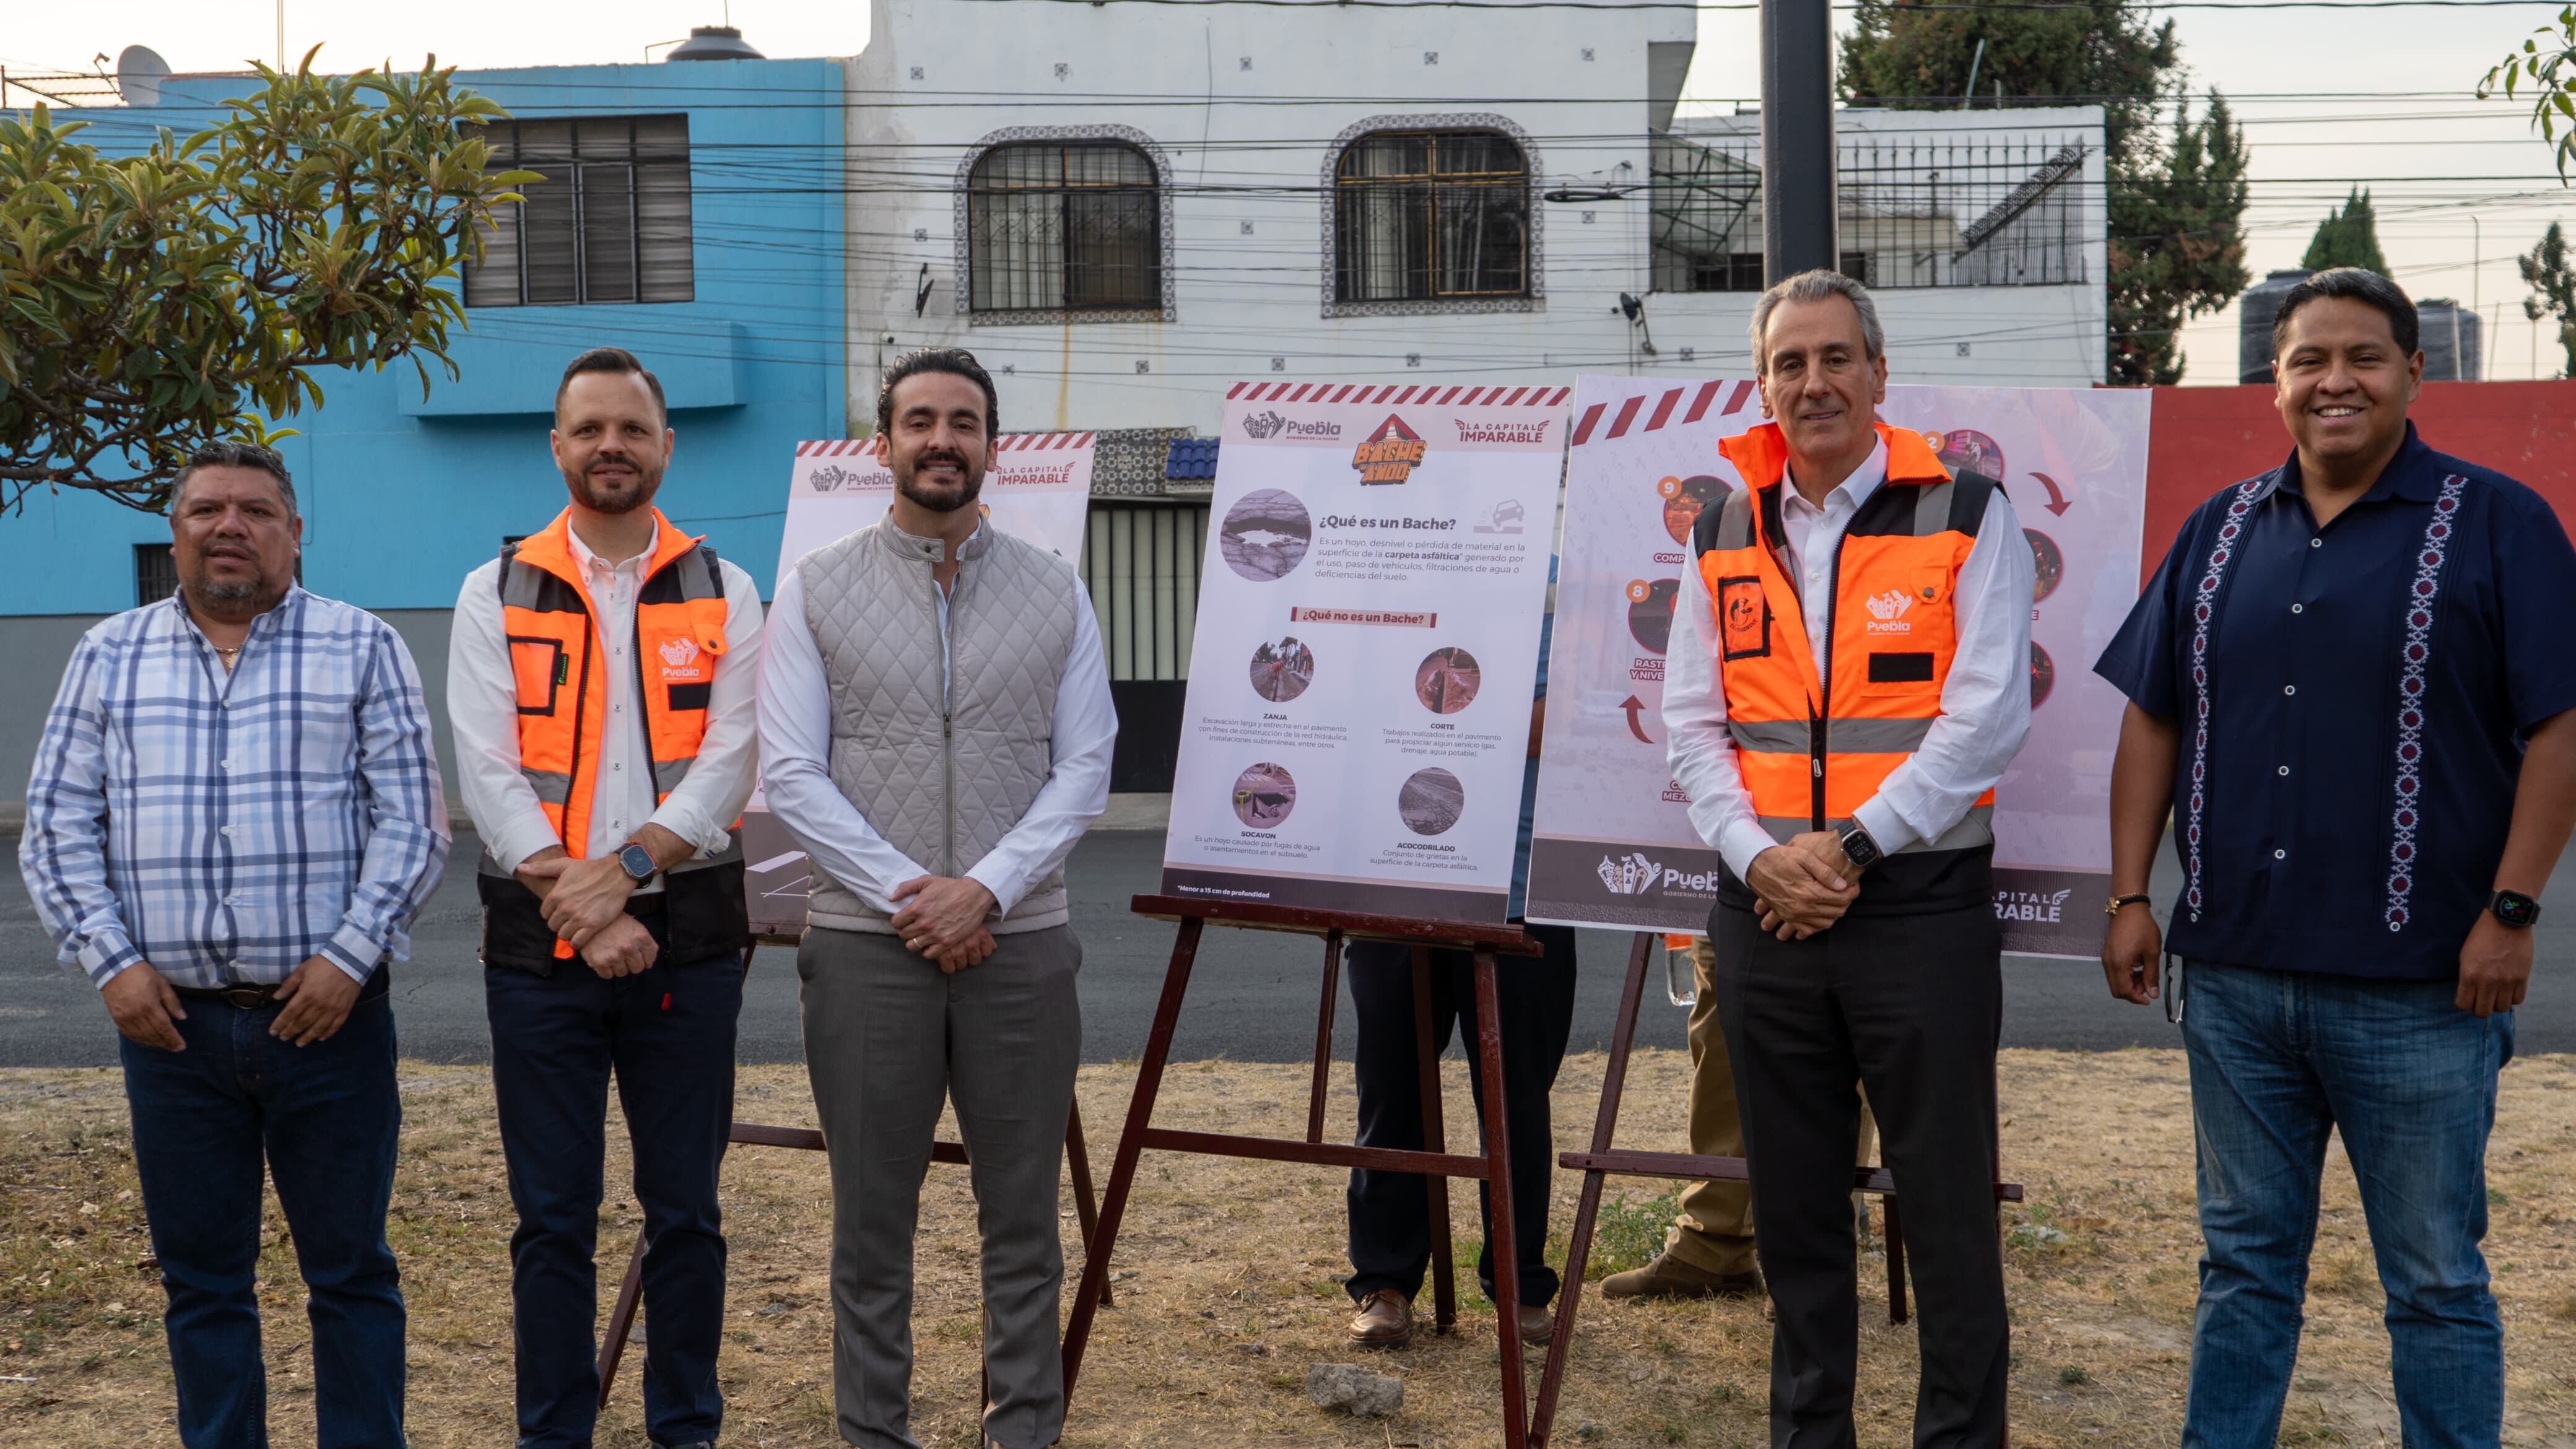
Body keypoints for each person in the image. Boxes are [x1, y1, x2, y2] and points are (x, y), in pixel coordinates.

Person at [2095, 267, 2576, 1449]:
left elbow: (2562, 722)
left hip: (2424, 990)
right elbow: (2153, 714)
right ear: (2276, 383)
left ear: (2416, 373)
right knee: (2245, 1269)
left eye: (2364, 357)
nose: (2336, 381)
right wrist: (2127, 896)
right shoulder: (2217, 533)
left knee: (2433, 1284)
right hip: (2238, 983)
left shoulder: (2500, 522)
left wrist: (2512, 909)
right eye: (2309, 360)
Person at [1663, 268, 2033, 1446]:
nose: (1813, 383)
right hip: (1763, 913)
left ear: (1878, 372)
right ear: (1762, 384)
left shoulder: (1967, 511)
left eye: (1835, 358)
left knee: (1946, 1213)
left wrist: (1853, 849)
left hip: (1917, 907)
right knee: (1795, 1219)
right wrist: (1757, 856)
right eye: (1789, 363)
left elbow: (1986, 717)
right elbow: (1690, 721)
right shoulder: (1723, 526)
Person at [21, 442, 449, 1448]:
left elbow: (416, 823)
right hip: (172, 1034)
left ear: (294, 535)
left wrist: (350, 957)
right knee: (203, 1283)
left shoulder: (364, 647)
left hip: (330, 1026)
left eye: (256, 510)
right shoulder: (108, 655)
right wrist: (110, 962)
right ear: (173, 532)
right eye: (207, 508)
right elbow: (56, 825)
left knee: (352, 1274)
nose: (230, 526)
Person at [757, 347, 1116, 1449]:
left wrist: (987, 893)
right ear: (884, 446)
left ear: (992, 447)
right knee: (872, 1228)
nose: (941, 440)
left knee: (1023, 1223)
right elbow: (791, 770)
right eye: (920, 421)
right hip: (870, 946)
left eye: (964, 421)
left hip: (1023, 944)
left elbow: (1086, 765)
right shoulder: (817, 587)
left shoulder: (1056, 587)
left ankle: (1023, 1432)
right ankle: (875, 1434)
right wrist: (915, 896)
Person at [448, 347, 764, 1449]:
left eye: (631, 429)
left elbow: (731, 762)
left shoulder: (726, 588)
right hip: (539, 952)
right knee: (552, 1224)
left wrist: (623, 880)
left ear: (666, 446)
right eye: (589, 430)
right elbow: (489, 777)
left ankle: (686, 1430)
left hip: (686, 946)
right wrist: (587, 910)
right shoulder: (494, 589)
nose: (611, 447)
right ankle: (554, 1435)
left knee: (686, 1217)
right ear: (557, 447)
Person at [1344, 565, 1578, 1349]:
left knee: (1515, 1099)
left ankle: (1519, 1282)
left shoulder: (1544, 585)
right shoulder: (1383, 580)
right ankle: (1382, 1282)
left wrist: (1433, 703)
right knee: (1391, 1088)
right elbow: (1349, 710)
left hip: (1518, 887)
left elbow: (1559, 721)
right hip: (1392, 880)